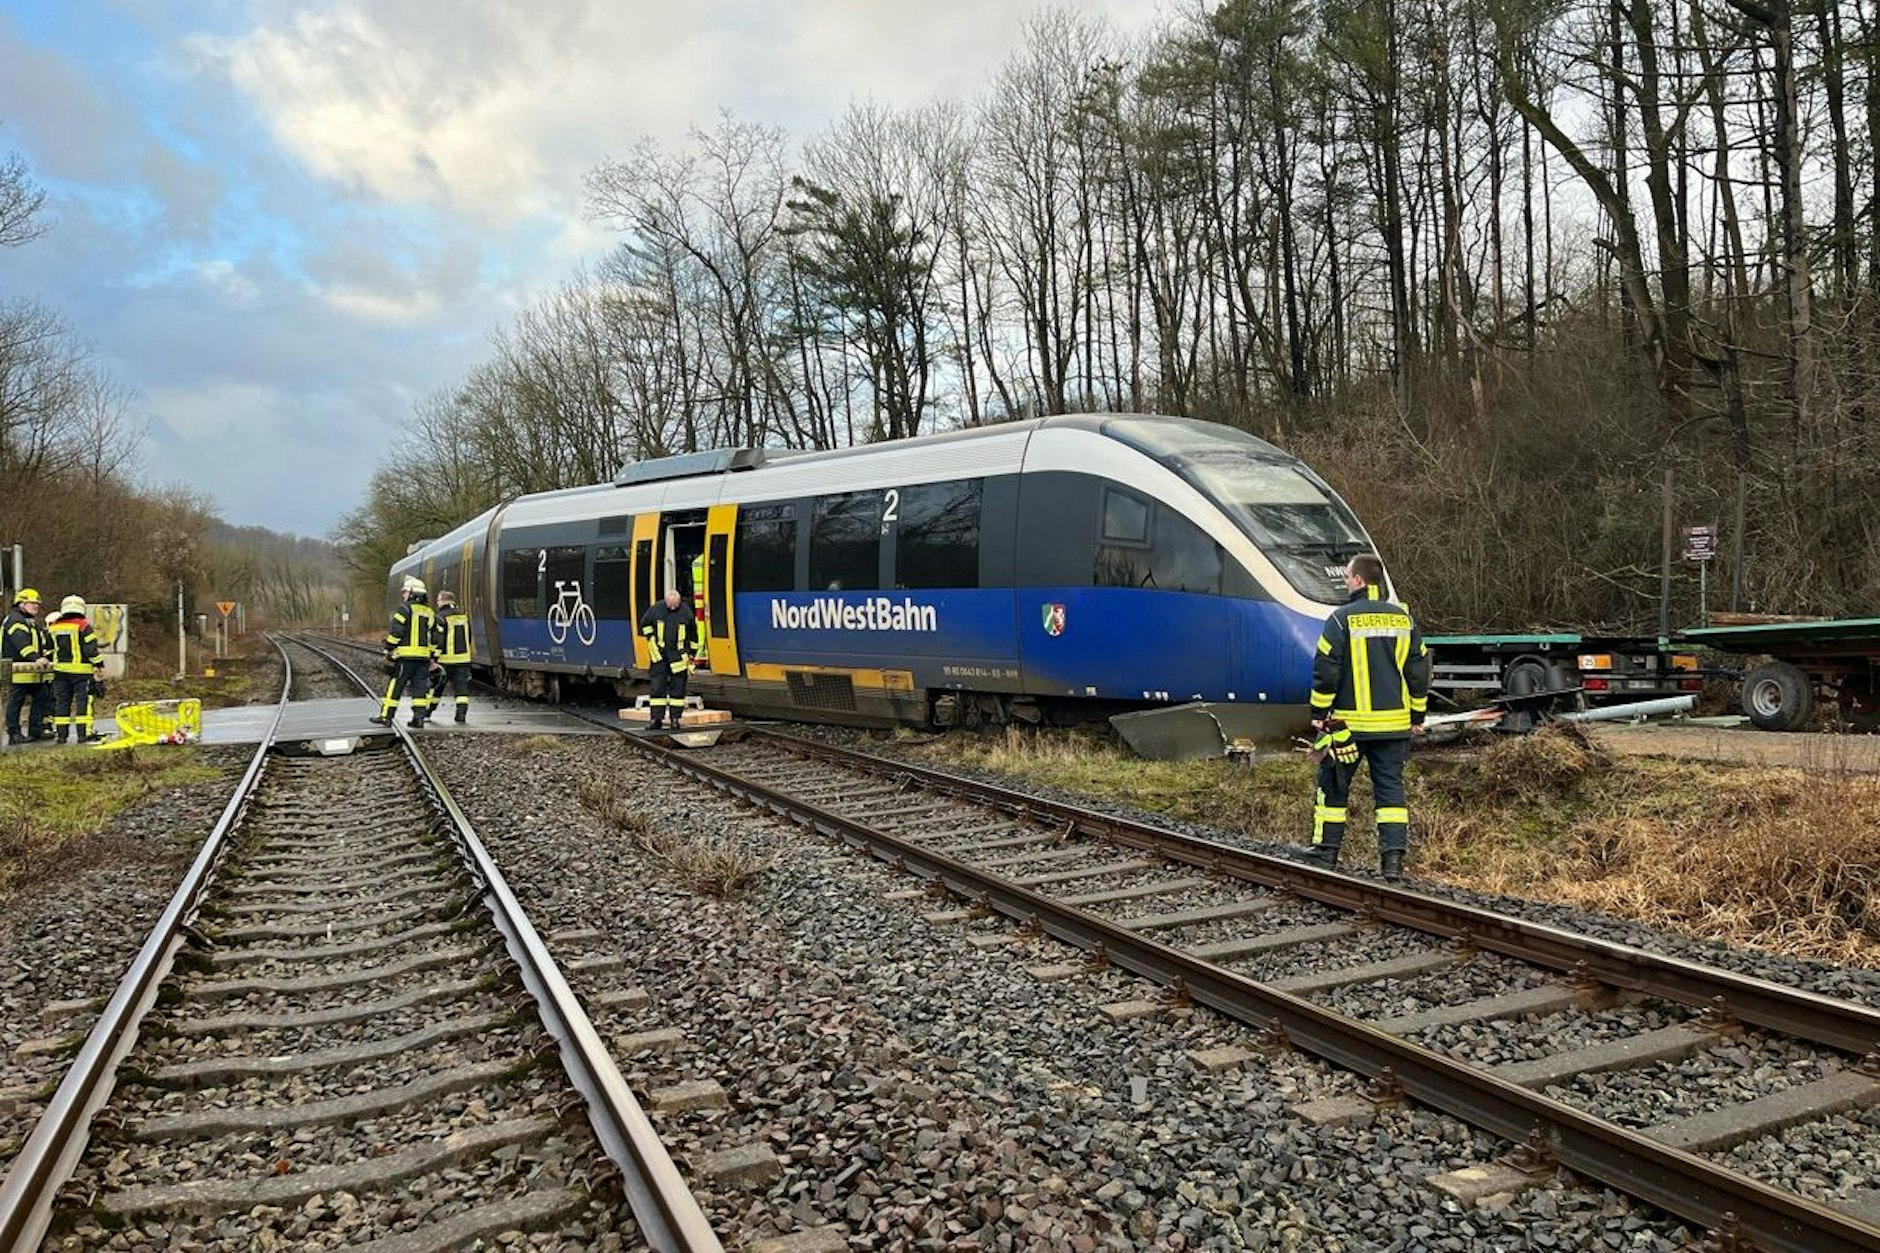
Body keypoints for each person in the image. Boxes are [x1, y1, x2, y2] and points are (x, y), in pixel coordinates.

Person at [1305, 553, 1430, 881]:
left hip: (1347, 726)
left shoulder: (1340, 619)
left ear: (1359, 580)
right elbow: (1419, 672)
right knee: (1390, 792)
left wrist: (1319, 713)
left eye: (1347, 577)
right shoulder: (1404, 620)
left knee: (1332, 786)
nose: (1346, 583)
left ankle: (1326, 854)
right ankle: (1392, 864)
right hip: (1393, 728)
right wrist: (1417, 714)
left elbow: (1325, 670)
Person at [371, 576, 436, 728]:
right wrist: (432, 656)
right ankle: (419, 718)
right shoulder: (429, 612)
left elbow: (397, 632)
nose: (403, 595)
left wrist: (388, 647)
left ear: (412, 593)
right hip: (423, 658)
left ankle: (387, 716)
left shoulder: (404, 609)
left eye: (405, 591)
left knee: (396, 686)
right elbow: (433, 637)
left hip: (406, 658)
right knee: (420, 689)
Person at [45, 595, 105, 743]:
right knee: (82, 704)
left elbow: (48, 651)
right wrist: (99, 664)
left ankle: (61, 736)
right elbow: (91, 650)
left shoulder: (54, 627)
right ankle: (82, 735)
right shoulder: (84, 625)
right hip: (82, 673)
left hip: (60, 673)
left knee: (62, 704)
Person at [638, 587, 699, 729]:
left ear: (679, 602)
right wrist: (651, 638)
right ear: (665, 601)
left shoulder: (686, 612)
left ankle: (675, 719)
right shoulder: (656, 609)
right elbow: (644, 624)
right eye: (670, 605)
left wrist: (692, 654)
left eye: (675, 605)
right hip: (659, 656)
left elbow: (694, 635)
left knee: (678, 691)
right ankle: (656, 719)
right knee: (657, 689)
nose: (672, 607)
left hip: (679, 657)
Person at [3, 588, 53, 744]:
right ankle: (14, 734)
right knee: (16, 701)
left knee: (43, 697)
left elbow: (41, 644)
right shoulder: (15, 620)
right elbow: (21, 643)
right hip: (18, 669)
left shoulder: (30, 622)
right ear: (22, 604)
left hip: (32, 671)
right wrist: (37, 658)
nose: (36, 606)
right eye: (32, 603)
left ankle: (35, 731)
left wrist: (46, 657)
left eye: (37, 604)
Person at [428, 589, 473, 723]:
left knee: (437, 687)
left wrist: (433, 659)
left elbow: (438, 640)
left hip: (445, 660)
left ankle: (427, 712)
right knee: (462, 688)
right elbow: (468, 636)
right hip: (463, 659)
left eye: (438, 600)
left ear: (443, 601)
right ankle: (461, 714)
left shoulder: (440, 617)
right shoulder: (463, 615)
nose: (437, 602)